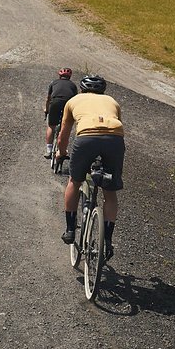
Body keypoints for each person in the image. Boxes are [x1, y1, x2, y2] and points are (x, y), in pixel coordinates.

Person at [55, 74, 124, 260]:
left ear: (83, 89)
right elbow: (117, 126)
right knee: (110, 193)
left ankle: (70, 230)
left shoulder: (74, 100)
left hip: (86, 138)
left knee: (74, 182)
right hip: (114, 139)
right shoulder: (112, 101)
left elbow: (64, 133)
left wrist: (61, 153)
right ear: (103, 90)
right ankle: (107, 241)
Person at [43, 68, 77, 159]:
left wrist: (46, 109)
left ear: (59, 75)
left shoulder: (54, 83)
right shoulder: (73, 85)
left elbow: (48, 98)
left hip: (55, 102)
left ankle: (49, 150)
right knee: (65, 127)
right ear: (69, 77)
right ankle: (62, 151)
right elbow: (75, 100)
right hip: (68, 103)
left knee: (51, 126)